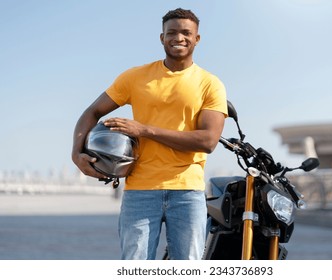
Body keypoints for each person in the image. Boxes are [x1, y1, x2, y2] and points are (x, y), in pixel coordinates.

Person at [71, 8, 227, 260]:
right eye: (172, 32)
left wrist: (145, 130)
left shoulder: (209, 83)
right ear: (162, 37)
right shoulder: (135, 77)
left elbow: (208, 141)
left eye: (186, 33)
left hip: (187, 191)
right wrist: (76, 153)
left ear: (197, 38)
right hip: (140, 190)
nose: (179, 38)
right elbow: (92, 111)